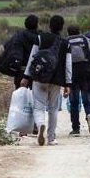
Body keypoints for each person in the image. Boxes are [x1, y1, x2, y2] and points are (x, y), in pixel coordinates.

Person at [23, 15, 72, 146]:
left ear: (49, 25)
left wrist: (26, 77)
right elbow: (68, 65)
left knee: (38, 106)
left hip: (39, 78)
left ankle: (40, 126)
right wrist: (68, 84)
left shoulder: (40, 38)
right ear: (62, 27)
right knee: (53, 109)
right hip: (56, 79)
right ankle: (51, 138)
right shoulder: (65, 42)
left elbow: (32, 58)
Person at [66, 25, 90, 136]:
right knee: (87, 100)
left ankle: (76, 128)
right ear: (79, 31)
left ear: (68, 32)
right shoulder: (86, 39)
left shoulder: (66, 41)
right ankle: (89, 114)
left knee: (74, 102)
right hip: (86, 73)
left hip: (72, 74)